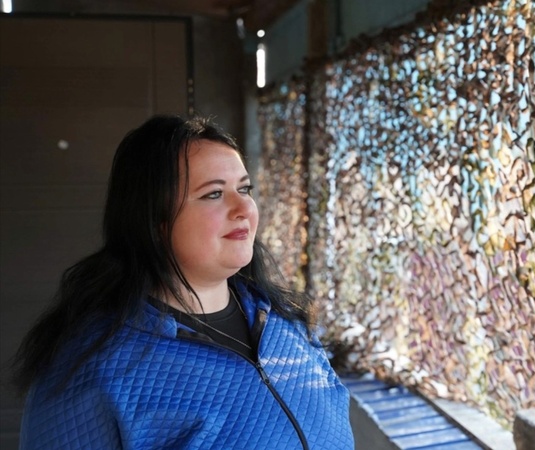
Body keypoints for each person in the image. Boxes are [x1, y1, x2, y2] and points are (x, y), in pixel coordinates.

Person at [12, 115, 355, 450]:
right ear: (154, 219)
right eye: (213, 194)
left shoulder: (286, 323)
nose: (243, 209)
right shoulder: (89, 369)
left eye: (244, 189)